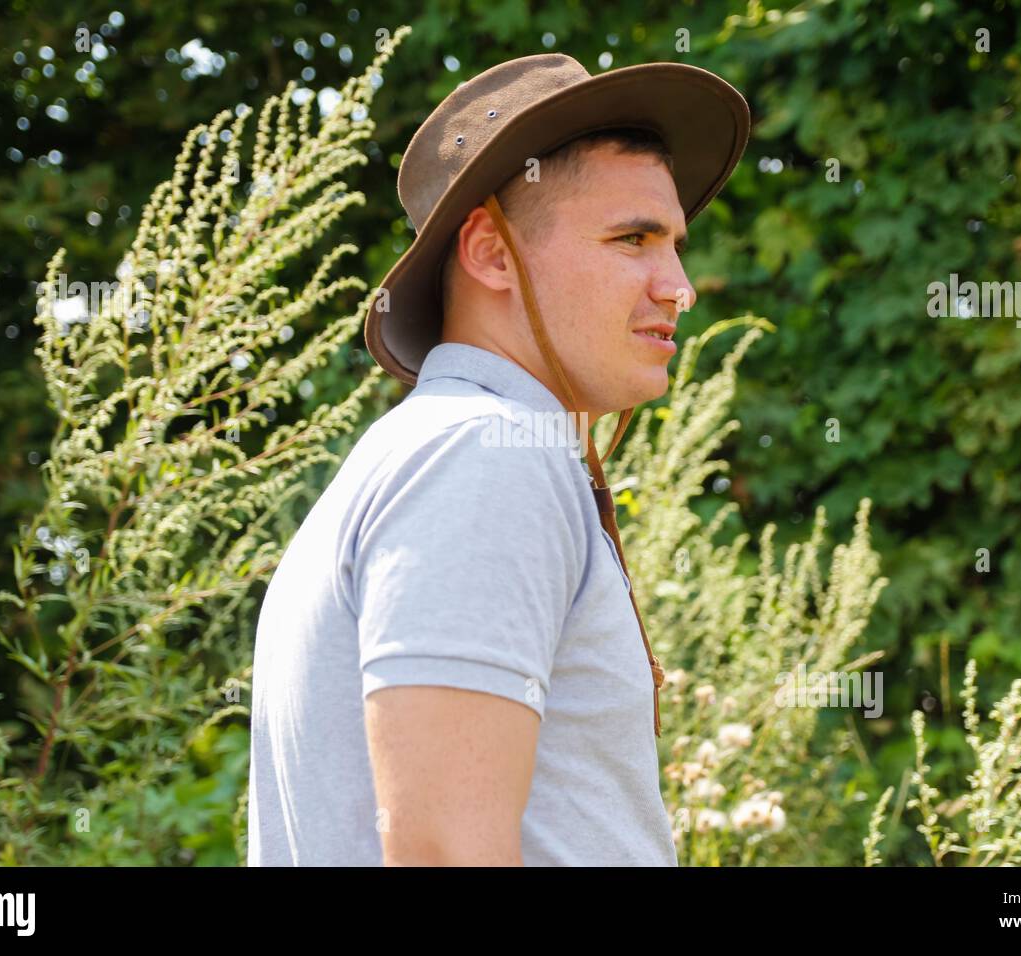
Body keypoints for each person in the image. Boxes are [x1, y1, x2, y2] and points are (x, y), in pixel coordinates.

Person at [248, 52, 750, 866]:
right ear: (490, 252)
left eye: (676, 246)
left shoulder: (440, 448)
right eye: (634, 239)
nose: (679, 285)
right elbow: (444, 852)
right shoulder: (483, 456)